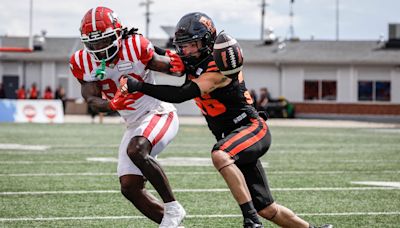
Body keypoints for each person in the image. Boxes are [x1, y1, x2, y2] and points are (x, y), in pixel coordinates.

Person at [119, 12, 333, 228]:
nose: (187, 50)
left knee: (220, 155)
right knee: (267, 208)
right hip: (233, 137)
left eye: (193, 44)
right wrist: (138, 41)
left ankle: (251, 220)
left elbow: (181, 94)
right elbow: (166, 56)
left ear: (208, 40)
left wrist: (140, 86)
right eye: (184, 45)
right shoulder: (193, 59)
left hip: (250, 128)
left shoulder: (219, 64)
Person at [69, 7, 186, 227]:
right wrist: (111, 103)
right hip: (133, 123)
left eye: (104, 41)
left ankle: (173, 206)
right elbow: (91, 99)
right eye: (93, 44)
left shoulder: (135, 46)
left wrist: (178, 65)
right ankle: (172, 224)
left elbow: (172, 68)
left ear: (118, 34)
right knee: (130, 187)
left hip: (158, 113)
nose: (100, 49)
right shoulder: (82, 61)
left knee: (136, 150)